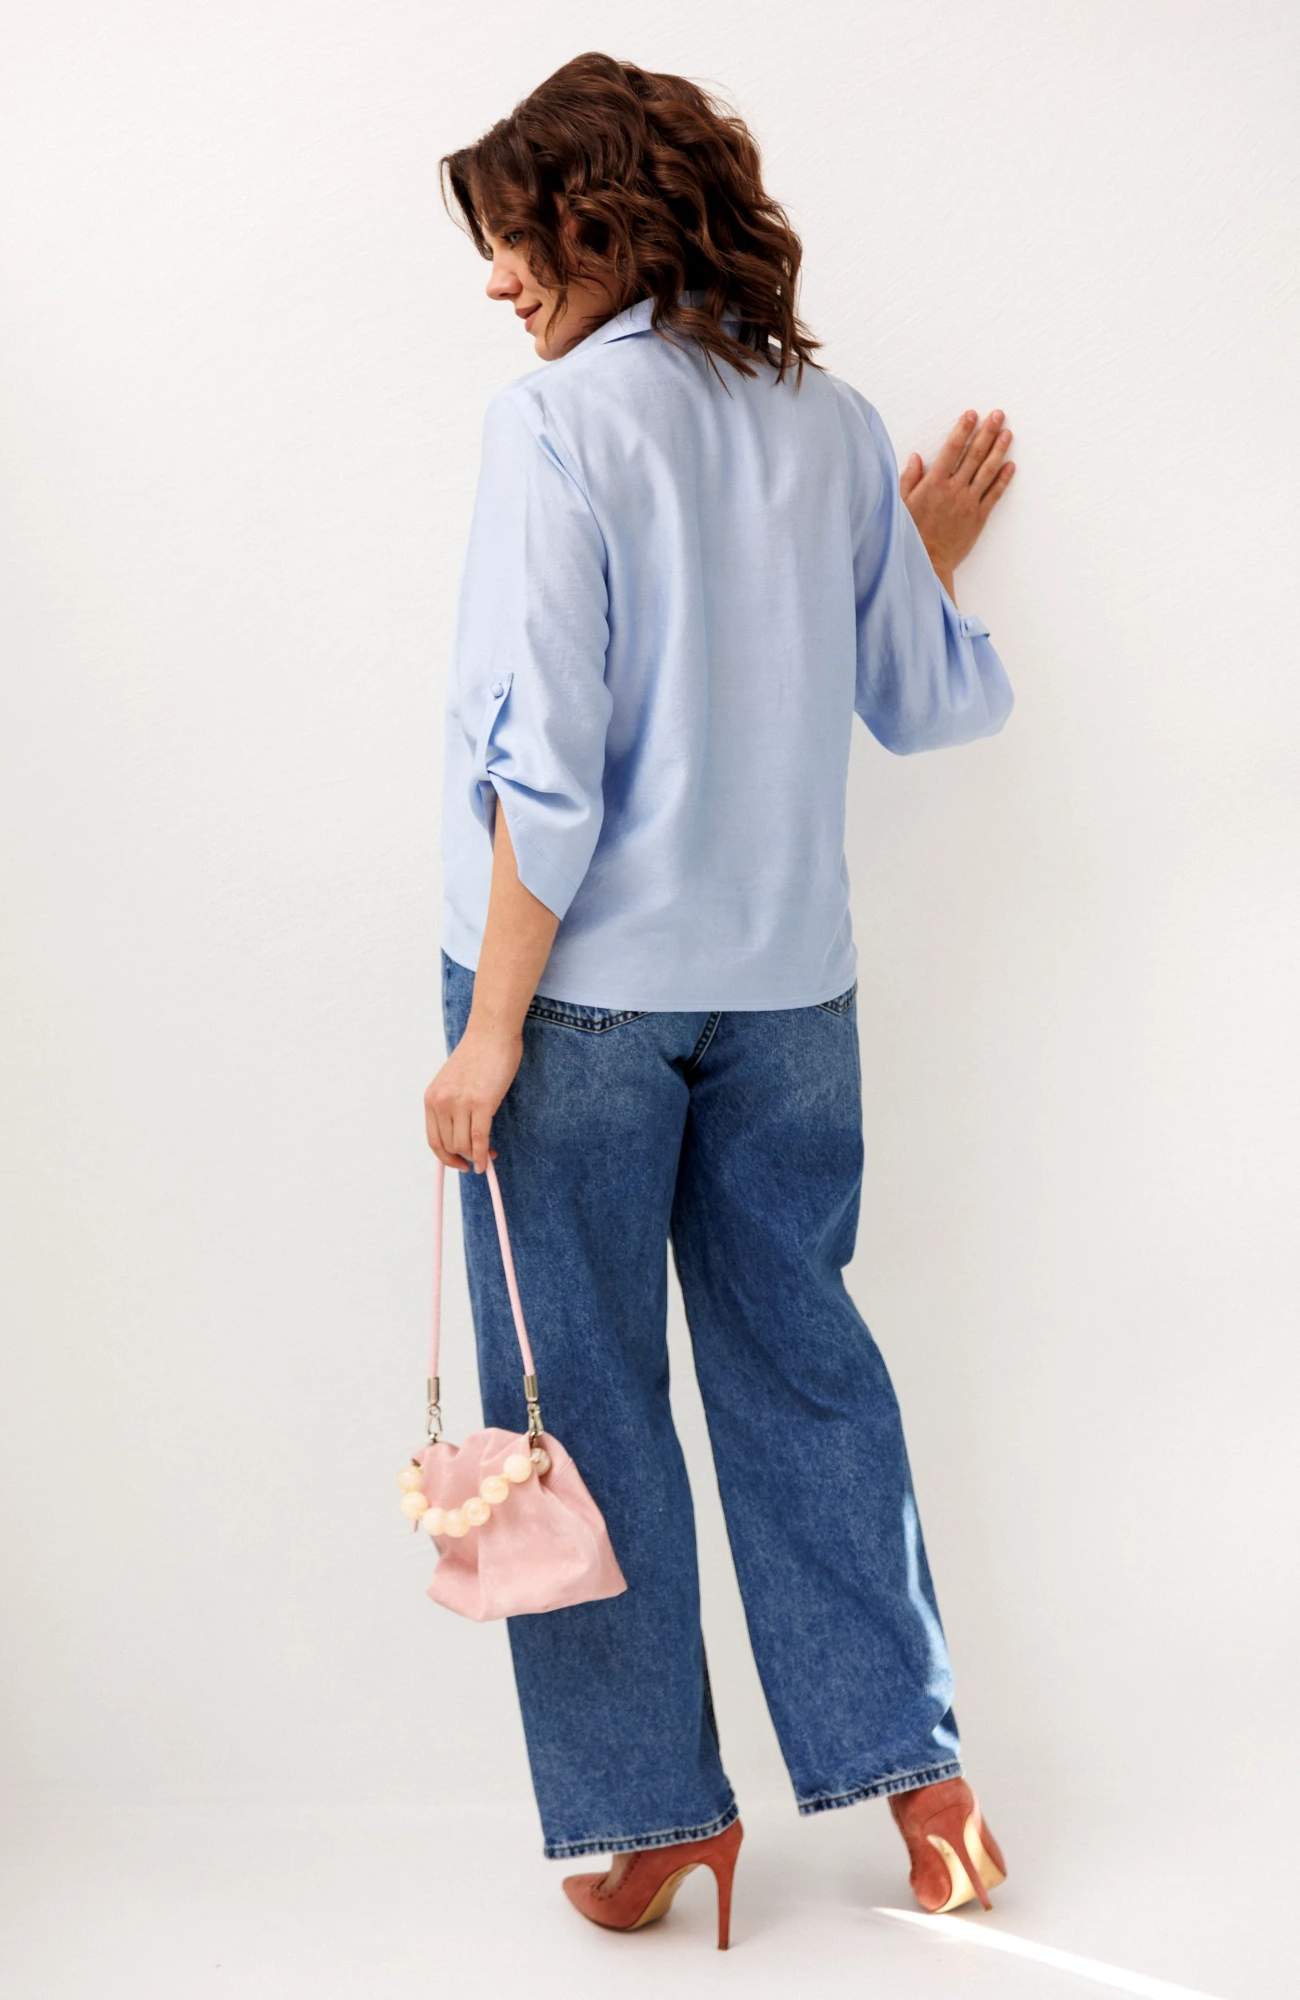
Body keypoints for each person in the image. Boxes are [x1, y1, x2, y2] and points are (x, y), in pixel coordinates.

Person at [423, 52, 1016, 1949]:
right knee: (807, 1373)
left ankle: (657, 1821)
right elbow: (917, 698)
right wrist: (908, 558)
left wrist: (492, 1031)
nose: (499, 280)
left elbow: (547, 761)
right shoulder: (829, 424)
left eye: (517, 238)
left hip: (578, 1003)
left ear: (599, 218)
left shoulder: (557, 426)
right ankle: (929, 1793)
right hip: (789, 1001)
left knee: (580, 1410)